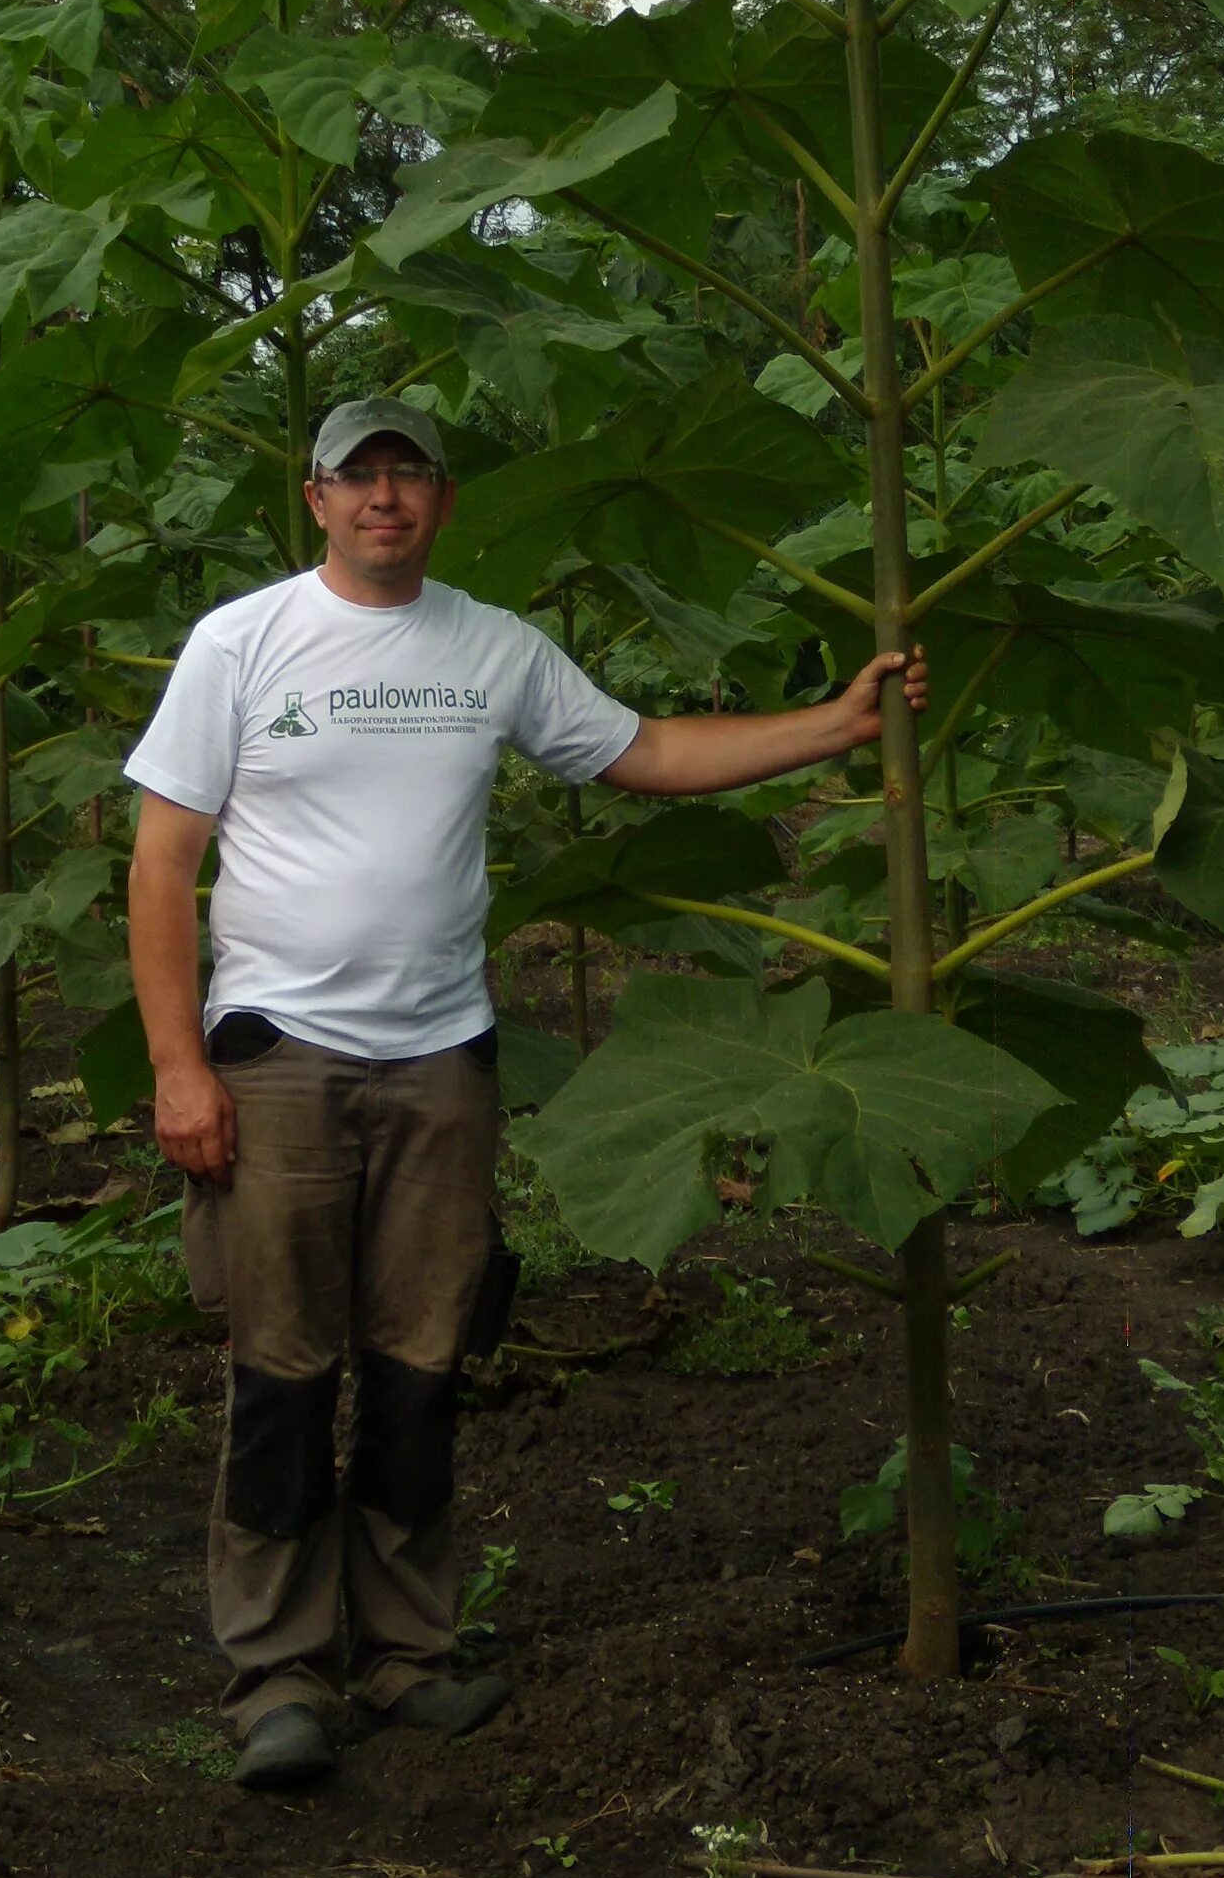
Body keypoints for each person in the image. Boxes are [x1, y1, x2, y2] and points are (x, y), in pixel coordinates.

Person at [124, 397, 927, 1793]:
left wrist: (833, 729)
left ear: (439, 502)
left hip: (442, 1051)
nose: (384, 498)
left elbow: (648, 753)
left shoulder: (490, 646)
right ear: (312, 501)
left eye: (409, 476)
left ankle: (403, 1654)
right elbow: (159, 861)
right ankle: (275, 1675)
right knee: (282, 1371)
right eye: (356, 477)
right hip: (281, 1051)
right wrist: (178, 1066)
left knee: (423, 1362)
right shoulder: (241, 642)